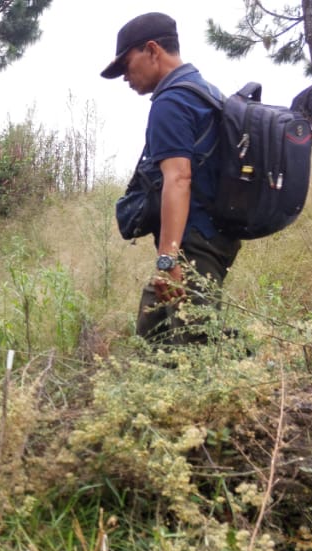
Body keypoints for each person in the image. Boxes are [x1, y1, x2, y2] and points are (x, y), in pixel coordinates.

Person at [101, 12, 241, 345]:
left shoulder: (172, 101)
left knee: (191, 349)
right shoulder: (206, 92)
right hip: (210, 237)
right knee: (152, 336)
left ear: (152, 50)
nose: (124, 76)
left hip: (194, 243)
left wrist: (168, 259)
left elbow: (178, 178)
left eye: (126, 64)